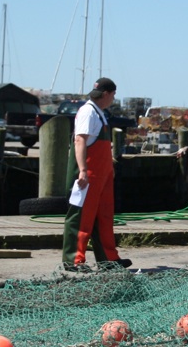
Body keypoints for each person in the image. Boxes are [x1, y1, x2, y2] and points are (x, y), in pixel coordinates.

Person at [62, 77, 131, 270]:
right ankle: (73, 260)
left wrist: (110, 168)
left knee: (104, 216)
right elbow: (80, 140)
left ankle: (108, 259)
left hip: (102, 175)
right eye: (114, 95)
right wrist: (83, 170)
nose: (114, 98)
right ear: (107, 94)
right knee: (81, 216)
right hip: (89, 174)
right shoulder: (88, 112)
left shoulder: (100, 113)